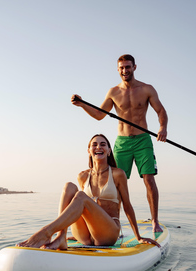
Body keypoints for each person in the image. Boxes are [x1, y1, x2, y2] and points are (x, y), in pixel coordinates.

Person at [71, 54, 168, 233]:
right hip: (122, 143)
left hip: (143, 140)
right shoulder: (113, 92)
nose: (125, 70)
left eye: (128, 67)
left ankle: (154, 221)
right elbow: (100, 115)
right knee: (115, 182)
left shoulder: (147, 89)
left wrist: (162, 127)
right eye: (122, 68)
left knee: (149, 179)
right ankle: (115, 222)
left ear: (134, 67)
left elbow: (160, 110)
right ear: (118, 69)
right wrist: (82, 104)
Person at [17, 134, 159, 250]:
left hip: (108, 233)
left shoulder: (117, 174)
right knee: (69, 187)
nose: (98, 147)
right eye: (94, 144)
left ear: (109, 151)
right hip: (86, 235)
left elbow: (127, 206)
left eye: (103, 144)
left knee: (81, 196)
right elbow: (78, 209)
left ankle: (45, 232)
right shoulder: (83, 176)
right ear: (89, 151)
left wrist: (138, 236)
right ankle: (61, 237)